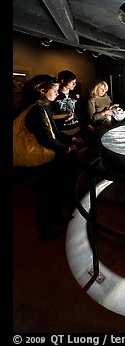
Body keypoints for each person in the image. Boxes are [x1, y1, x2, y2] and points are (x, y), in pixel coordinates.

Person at [14, 75, 79, 241]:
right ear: (42, 90)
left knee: (53, 192)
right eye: (55, 90)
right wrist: (67, 148)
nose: (57, 93)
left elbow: (53, 132)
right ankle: (45, 229)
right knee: (47, 194)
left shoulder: (41, 106)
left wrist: (70, 139)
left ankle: (55, 218)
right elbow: (46, 139)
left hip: (48, 159)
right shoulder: (37, 109)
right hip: (44, 160)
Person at [51, 70, 93, 143]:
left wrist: (86, 125)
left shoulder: (74, 95)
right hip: (63, 133)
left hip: (77, 129)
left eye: (75, 82)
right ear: (63, 81)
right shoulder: (54, 97)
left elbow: (79, 112)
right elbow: (51, 117)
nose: (74, 85)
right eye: (72, 82)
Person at [87, 80, 116, 145]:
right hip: (100, 126)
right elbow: (92, 118)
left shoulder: (107, 97)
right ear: (96, 88)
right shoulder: (92, 99)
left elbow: (111, 107)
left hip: (110, 123)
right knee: (102, 145)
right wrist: (104, 112)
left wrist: (114, 108)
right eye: (102, 89)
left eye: (105, 89)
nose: (104, 91)